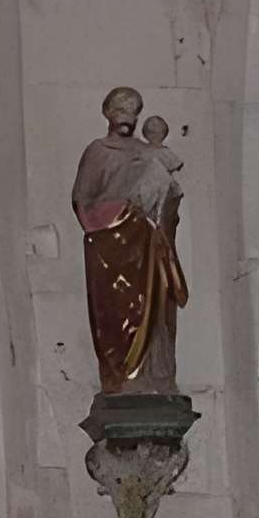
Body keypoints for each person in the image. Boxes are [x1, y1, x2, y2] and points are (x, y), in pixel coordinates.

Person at [74, 86, 188, 394]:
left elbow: (170, 201)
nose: (127, 117)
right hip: (112, 251)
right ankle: (122, 379)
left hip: (148, 246)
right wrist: (119, 215)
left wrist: (162, 205)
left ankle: (155, 379)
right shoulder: (98, 151)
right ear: (107, 113)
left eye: (133, 111)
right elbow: (83, 202)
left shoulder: (147, 152)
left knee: (157, 312)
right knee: (116, 318)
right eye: (120, 110)